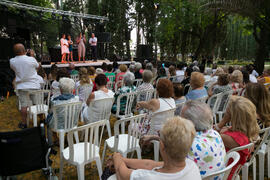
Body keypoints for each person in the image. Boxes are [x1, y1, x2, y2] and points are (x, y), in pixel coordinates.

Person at [141, 101, 226, 178]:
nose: (179, 118)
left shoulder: (190, 145)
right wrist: (153, 137)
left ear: (190, 122)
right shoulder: (214, 134)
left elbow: (167, 169)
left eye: (181, 117)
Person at [111, 117, 201, 180]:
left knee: (109, 171)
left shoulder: (148, 177)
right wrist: (123, 160)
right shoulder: (192, 165)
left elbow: (122, 174)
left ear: (162, 146)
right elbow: (150, 164)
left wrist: (116, 156)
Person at [215, 96, 259, 180]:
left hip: (223, 173)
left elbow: (209, 137)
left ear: (233, 117)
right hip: (232, 169)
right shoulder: (249, 130)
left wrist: (223, 122)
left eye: (227, 112)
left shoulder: (228, 138)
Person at [10, 43, 41, 129]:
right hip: (34, 85)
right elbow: (38, 66)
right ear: (24, 51)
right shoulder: (31, 59)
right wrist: (32, 55)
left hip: (22, 86)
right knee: (38, 104)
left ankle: (24, 123)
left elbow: (15, 69)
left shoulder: (12, 61)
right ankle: (42, 119)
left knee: (24, 105)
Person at [46, 78, 80, 146]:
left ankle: (53, 142)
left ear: (60, 90)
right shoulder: (77, 99)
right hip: (72, 123)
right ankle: (68, 138)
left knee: (48, 122)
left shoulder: (55, 101)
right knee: (67, 116)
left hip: (58, 125)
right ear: (72, 90)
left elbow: (51, 113)